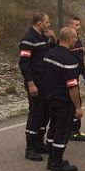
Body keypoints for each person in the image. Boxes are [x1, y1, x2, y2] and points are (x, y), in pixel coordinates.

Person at [43, 27, 84, 171]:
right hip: (64, 100)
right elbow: (72, 87)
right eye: (75, 38)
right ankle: (57, 163)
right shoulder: (69, 59)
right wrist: (78, 107)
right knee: (63, 131)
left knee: (53, 128)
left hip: (50, 97)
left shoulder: (49, 54)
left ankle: (52, 159)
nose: (76, 40)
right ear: (69, 39)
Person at [18, 12, 55, 161]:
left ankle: (39, 143)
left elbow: (53, 51)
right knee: (35, 114)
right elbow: (24, 64)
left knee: (45, 113)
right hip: (36, 83)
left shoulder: (44, 37)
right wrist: (31, 83)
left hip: (46, 82)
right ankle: (30, 148)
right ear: (39, 23)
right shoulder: (28, 39)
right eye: (46, 22)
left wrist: (53, 38)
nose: (49, 24)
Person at [68, 16, 85, 142]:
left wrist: (84, 73)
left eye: (79, 24)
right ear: (70, 26)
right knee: (75, 103)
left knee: (75, 103)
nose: (79, 27)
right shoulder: (67, 42)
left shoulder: (78, 41)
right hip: (69, 77)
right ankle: (74, 131)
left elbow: (80, 59)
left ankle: (72, 130)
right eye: (76, 25)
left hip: (76, 75)